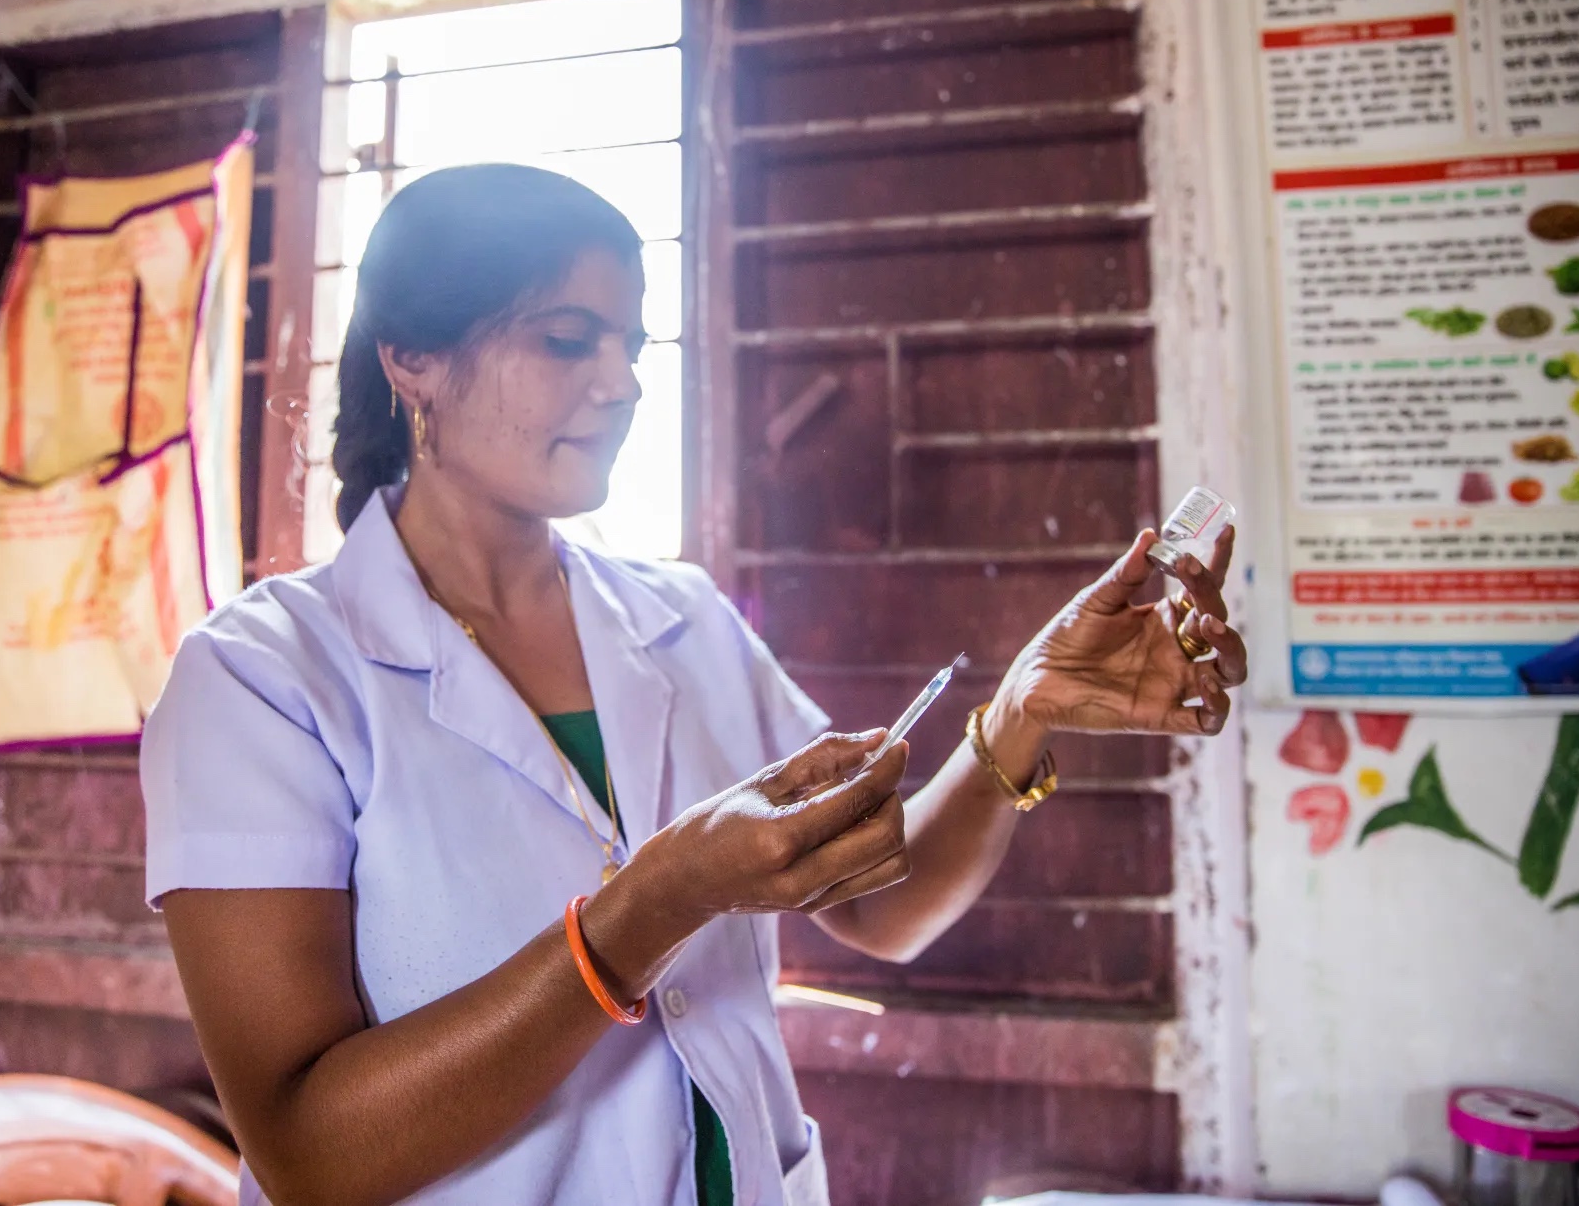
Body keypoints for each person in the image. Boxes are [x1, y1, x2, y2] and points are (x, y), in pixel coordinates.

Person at [141, 165, 1248, 1206]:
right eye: (566, 339)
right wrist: (655, 902)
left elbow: (883, 902)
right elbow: (308, 1154)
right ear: (411, 359)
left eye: (631, 342)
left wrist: (1023, 713)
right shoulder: (264, 679)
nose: (622, 382)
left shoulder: (684, 623)